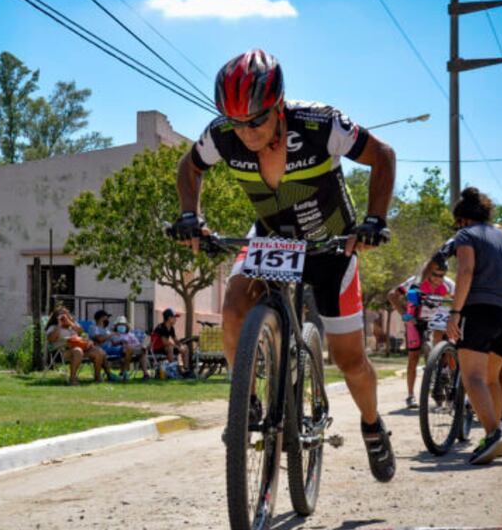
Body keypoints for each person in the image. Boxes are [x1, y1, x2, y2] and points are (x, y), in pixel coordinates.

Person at [171, 49, 398, 482]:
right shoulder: (223, 135)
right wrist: (190, 216)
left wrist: (375, 221)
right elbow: (190, 166)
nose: (246, 131)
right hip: (272, 239)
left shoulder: (321, 125)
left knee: (350, 361)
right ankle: (246, 405)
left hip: (332, 246)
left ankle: (372, 425)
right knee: (234, 308)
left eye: (256, 120)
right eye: (236, 121)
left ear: (278, 106)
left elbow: (382, 155)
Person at [444, 187, 502, 465]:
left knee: (472, 377)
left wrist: (455, 312)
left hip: (480, 310)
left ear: (463, 219)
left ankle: (493, 434)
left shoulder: (466, 236)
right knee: (491, 378)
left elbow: (466, 270)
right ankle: (495, 437)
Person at [387, 260, 455, 408]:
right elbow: (392, 295)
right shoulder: (415, 281)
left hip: (438, 321)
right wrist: (404, 314)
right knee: (413, 357)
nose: (438, 279)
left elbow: (458, 301)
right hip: (416, 321)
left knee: (448, 352)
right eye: (435, 275)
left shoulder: (449, 284)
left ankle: (448, 381)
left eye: (442, 276)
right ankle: (410, 395)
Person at [45, 306, 106, 385]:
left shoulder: (72, 325)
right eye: (61, 315)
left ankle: (97, 377)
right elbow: (51, 339)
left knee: (98, 351)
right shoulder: (53, 327)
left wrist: (71, 323)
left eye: (66, 314)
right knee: (77, 351)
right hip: (61, 352)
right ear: (56, 317)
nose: (64, 317)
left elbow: (81, 332)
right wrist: (59, 325)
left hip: (80, 349)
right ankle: (72, 379)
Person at [88, 310, 123, 381]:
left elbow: (114, 342)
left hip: (110, 348)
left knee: (127, 349)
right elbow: (99, 339)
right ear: (101, 318)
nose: (108, 320)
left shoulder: (107, 329)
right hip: (100, 349)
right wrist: (111, 334)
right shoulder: (94, 328)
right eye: (106, 318)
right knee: (102, 353)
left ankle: (123, 373)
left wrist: (122, 341)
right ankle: (109, 375)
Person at [151, 308, 186, 377]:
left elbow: (175, 340)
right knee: (170, 347)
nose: (176, 319)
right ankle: (172, 370)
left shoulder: (171, 328)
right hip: (156, 348)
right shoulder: (161, 327)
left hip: (164, 348)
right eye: (174, 317)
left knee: (185, 348)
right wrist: (178, 347)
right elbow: (165, 342)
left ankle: (186, 370)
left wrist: (181, 346)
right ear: (169, 318)